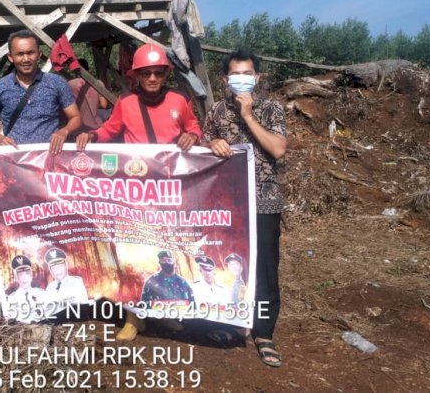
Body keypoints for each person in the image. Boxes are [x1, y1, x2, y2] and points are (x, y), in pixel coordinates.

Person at [76, 42, 202, 340]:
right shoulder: (126, 102)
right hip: (136, 193)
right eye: (146, 73)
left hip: (169, 192)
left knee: (168, 254)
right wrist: (92, 136)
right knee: (135, 253)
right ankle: (134, 318)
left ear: (166, 74)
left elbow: (194, 127)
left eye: (158, 72)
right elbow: (110, 130)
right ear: (136, 76)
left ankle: (165, 314)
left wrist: (193, 136)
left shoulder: (179, 100)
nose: (153, 78)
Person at [203, 49, 287, 368]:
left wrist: (249, 116)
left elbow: (278, 149)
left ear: (257, 77)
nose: (241, 79)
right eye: (235, 74)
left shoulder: (271, 108)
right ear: (226, 79)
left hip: (263, 201)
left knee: (264, 268)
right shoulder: (217, 110)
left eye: (247, 73)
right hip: (227, 202)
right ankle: (231, 321)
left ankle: (263, 332)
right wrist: (211, 144)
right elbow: (204, 143)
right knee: (229, 264)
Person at [0, 30, 81, 153]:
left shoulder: (57, 83)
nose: (26, 59)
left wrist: (64, 131)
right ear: (10, 57)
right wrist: (0, 138)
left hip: (50, 155)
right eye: (20, 54)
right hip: (15, 158)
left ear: (39, 54)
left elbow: (75, 117)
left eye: (31, 53)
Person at [68, 58, 110, 133]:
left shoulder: (69, 85)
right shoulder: (98, 83)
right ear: (87, 69)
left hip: (78, 128)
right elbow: (104, 105)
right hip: (96, 126)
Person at [6, 255, 45, 323]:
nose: (24, 278)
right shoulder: (10, 299)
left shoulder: (41, 293)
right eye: (20, 274)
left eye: (27, 273)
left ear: (31, 275)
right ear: (16, 277)